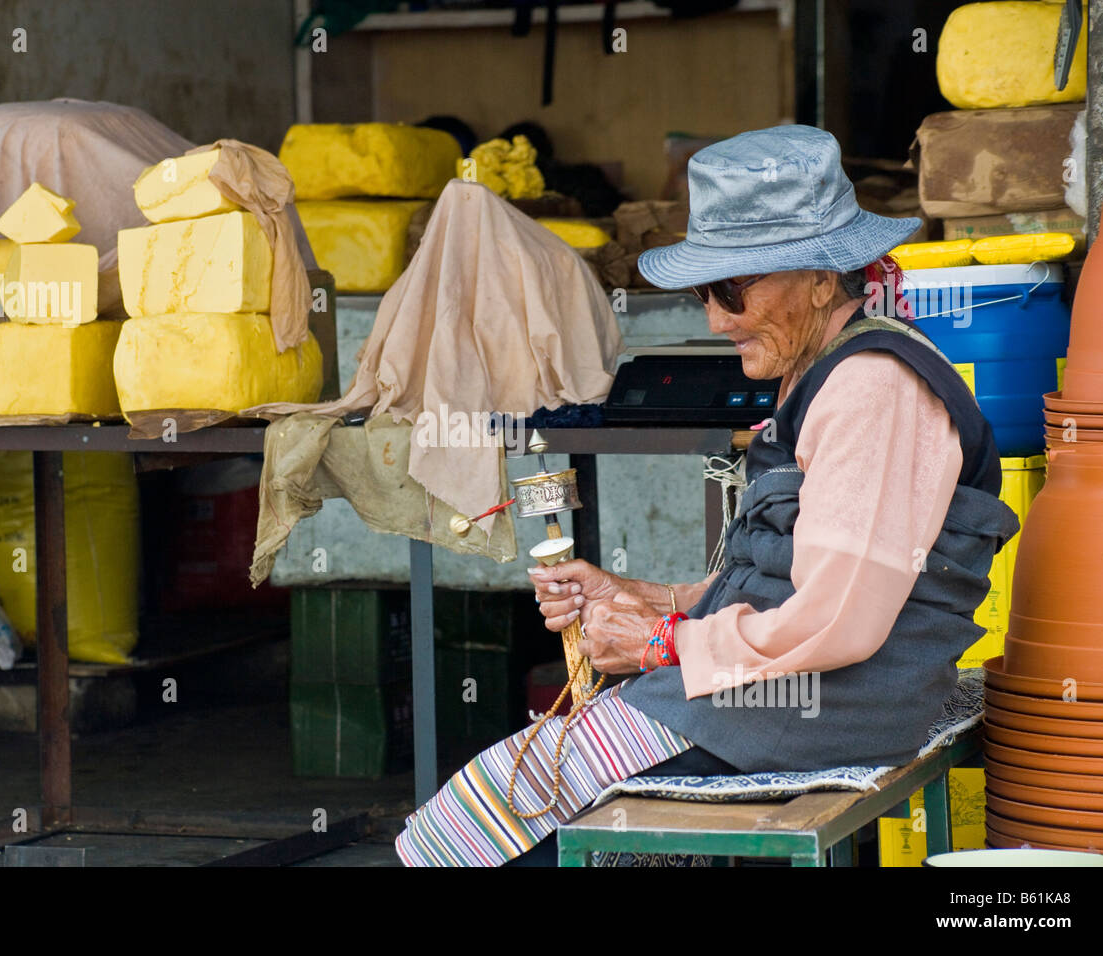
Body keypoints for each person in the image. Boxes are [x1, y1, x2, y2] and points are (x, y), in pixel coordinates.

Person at [394, 125, 1018, 867]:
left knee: (505, 814)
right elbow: (792, 585)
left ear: (823, 277)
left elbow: (840, 623)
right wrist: (646, 597)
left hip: (827, 705)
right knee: (495, 798)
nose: (717, 319)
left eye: (734, 290)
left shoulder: (872, 388)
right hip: (792, 692)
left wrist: (662, 644)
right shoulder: (824, 369)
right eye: (705, 293)